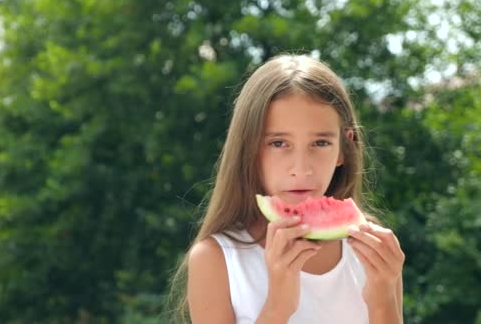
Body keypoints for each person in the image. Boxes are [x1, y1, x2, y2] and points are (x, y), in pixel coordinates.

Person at [167, 54, 405, 323]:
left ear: (344, 149)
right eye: (278, 143)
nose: (301, 169)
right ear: (249, 150)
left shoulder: (374, 250)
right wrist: (279, 304)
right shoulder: (216, 259)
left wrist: (383, 299)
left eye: (321, 143)